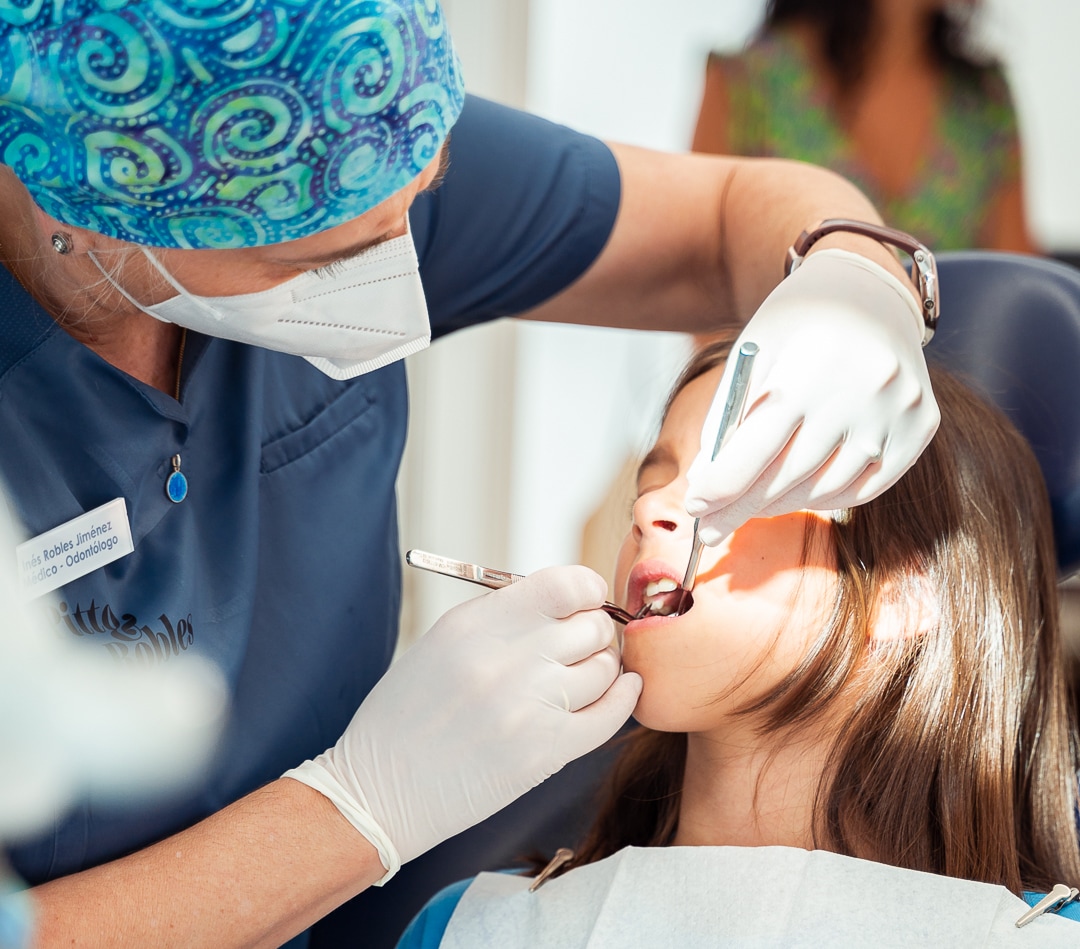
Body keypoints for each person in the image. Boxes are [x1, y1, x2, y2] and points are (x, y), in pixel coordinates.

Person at [0, 1, 941, 945]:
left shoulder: (355, 123)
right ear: (85, 208)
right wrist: (356, 808)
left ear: (917, 601)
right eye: (320, 255)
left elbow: (735, 211)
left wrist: (853, 276)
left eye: (419, 200)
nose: (395, 270)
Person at [398, 338, 1080, 945]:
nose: (647, 508)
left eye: (734, 475)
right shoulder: (469, 927)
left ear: (901, 588)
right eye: (653, 477)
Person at [692, 0, 1037, 252]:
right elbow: (700, 292)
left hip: (948, 355)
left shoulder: (985, 102)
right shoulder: (746, 85)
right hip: (775, 352)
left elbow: (1015, 300)